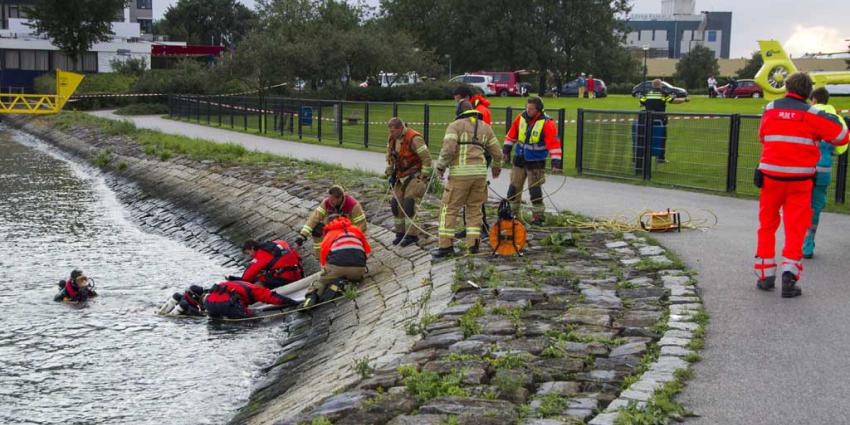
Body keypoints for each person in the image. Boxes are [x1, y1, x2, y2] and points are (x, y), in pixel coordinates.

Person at [753, 72, 849, 297]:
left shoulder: (770, 109)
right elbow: (843, 137)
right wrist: (833, 118)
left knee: (767, 225)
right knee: (795, 228)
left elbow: (763, 136)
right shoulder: (813, 114)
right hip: (800, 180)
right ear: (808, 92)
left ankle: (765, 275)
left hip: (771, 177)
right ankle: (789, 276)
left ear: (787, 87)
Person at [432, 101, 502, 259]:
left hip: (460, 175)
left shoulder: (455, 126)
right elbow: (497, 152)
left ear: (458, 112)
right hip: (480, 175)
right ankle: (473, 245)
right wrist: (496, 166)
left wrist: (441, 167)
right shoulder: (485, 127)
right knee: (474, 210)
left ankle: (445, 247)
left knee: (448, 209)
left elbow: (449, 149)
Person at [803, 88, 848, 258]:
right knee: (815, 207)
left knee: (799, 204)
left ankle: (796, 239)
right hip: (823, 169)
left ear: (813, 99)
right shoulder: (836, 118)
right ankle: (808, 243)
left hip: (803, 168)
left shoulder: (808, 114)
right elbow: (842, 147)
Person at [502, 96, 562, 225]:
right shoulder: (521, 118)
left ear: (538, 110)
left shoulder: (547, 123)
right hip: (519, 159)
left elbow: (554, 145)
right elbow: (511, 135)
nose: (528, 110)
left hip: (536, 161)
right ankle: (512, 214)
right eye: (527, 108)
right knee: (514, 188)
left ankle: (538, 217)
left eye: (531, 109)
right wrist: (506, 151)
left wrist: (556, 163)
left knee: (535, 190)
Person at [303, 216, 371, 307]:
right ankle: (347, 283)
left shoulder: (329, 235)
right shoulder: (356, 230)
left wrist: (325, 273)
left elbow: (323, 260)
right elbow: (367, 249)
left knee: (322, 280)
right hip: (359, 270)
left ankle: (311, 297)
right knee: (353, 276)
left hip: (338, 269)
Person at [386, 118, 432, 247]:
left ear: (400, 128)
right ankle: (400, 234)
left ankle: (412, 235)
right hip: (400, 176)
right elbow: (390, 158)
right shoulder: (392, 139)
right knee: (395, 205)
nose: (391, 134)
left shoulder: (414, 138)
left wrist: (423, 177)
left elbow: (427, 158)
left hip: (414, 176)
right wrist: (390, 172)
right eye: (390, 131)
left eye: (393, 131)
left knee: (409, 204)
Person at [297, 185, 367, 257]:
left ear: (340, 198)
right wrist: (303, 235)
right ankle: (321, 256)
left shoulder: (353, 205)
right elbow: (314, 218)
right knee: (317, 230)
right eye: (329, 198)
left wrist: (351, 238)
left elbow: (361, 225)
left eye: (333, 200)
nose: (330, 201)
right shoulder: (326, 202)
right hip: (331, 228)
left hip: (347, 231)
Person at [639, 79, 686, 163]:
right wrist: (684, 100)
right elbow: (673, 101)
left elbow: (641, 103)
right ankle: (660, 158)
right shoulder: (663, 93)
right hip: (660, 119)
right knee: (661, 138)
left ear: (652, 85)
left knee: (647, 138)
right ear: (660, 85)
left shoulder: (647, 93)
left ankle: (644, 157)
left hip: (648, 120)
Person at [204, 280, 298, 319]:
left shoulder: (240, 283)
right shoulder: (255, 290)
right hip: (226, 304)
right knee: (254, 317)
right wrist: (292, 302)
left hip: (209, 303)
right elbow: (273, 297)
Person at [235, 239, 303, 289]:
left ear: (252, 248)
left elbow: (247, 275)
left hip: (289, 278)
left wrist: (239, 285)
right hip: (298, 272)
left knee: (258, 282)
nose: (249, 256)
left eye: (248, 253)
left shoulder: (260, 256)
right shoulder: (278, 242)